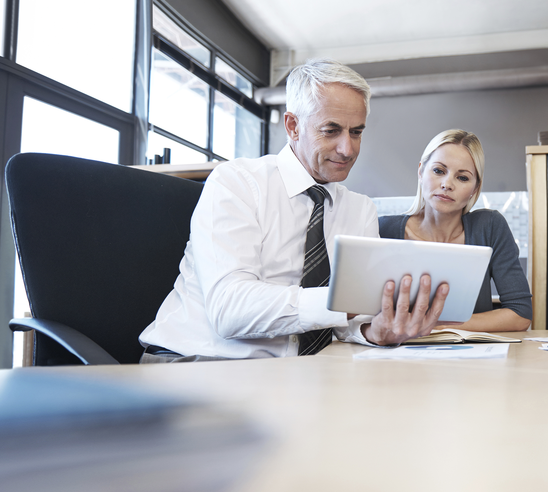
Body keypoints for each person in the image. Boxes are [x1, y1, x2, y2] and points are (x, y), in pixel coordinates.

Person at [139, 59, 449, 362]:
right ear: (293, 126)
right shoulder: (237, 183)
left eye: (356, 132)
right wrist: (342, 304)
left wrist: (374, 330)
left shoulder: (359, 209)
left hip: (293, 372)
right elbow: (229, 310)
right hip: (197, 362)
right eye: (331, 130)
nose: (348, 149)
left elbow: (350, 320)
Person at [378, 129, 532, 332]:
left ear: (475, 189)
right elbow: (361, 314)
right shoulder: (383, 230)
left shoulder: (489, 226)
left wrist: (438, 327)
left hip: (469, 357)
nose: (447, 184)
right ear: (421, 172)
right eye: (439, 171)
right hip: (398, 355)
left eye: (462, 178)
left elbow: (520, 314)